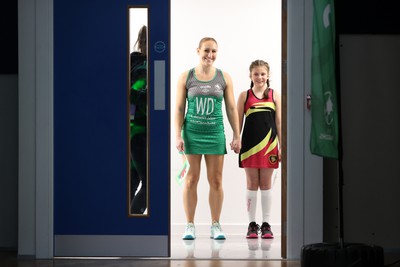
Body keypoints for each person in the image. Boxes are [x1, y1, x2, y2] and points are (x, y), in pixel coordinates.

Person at [174, 37, 241, 240]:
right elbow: (178, 108)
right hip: (192, 135)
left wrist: (237, 135)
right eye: (206, 51)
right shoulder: (186, 77)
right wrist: (177, 135)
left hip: (214, 134)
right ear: (198, 50)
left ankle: (215, 225)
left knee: (216, 181)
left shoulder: (224, 77)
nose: (210, 55)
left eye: (213, 51)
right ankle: (190, 225)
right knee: (190, 180)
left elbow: (230, 108)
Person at [235, 60, 281, 239]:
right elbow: (238, 121)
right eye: (256, 74)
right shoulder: (244, 96)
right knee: (252, 183)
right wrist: (236, 139)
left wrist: (282, 145)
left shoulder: (274, 95)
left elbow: (279, 123)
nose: (260, 77)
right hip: (249, 146)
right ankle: (252, 224)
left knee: (267, 184)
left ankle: (267, 224)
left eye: (263, 74)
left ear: (268, 75)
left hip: (269, 145)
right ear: (250, 76)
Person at [130, 25, 147, 214]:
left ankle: (124, 226)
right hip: (140, 130)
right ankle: (132, 222)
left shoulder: (136, 63)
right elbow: (134, 93)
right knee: (150, 185)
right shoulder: (143, 65)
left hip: (135, 129)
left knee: (133, 181)